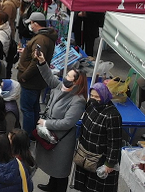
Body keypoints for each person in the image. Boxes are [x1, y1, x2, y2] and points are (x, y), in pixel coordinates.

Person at [34, 50, 87, 192]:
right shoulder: (61, 88)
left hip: (62, 140)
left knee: (60, 170)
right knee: (53, 166)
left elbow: (68, 122)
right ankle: (51, 186)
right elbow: (49, 77)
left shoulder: (78, 101)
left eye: (69, 77)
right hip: (52, 136)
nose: (65, 79)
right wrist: (42, 62)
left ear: (76, 82)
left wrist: (46, 123)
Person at [72, 83, 122, 192]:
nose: (94, 99)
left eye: (97, 97)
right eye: (92, 96)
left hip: (99, 159)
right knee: (84, 187)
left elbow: (115, 142)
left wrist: (109, 164)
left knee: (95, 189)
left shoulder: (112, 115)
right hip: (84, 155)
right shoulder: (91, 105)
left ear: (104, 96)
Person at [16, 12, 58, 135]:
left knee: (27, 109)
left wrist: (24, 76)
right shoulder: (45, 38)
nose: (30, 26)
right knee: (34, 108)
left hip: (31, 81)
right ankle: (34, 133)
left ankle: (27, 136)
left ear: (35, 23)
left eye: (31, 23)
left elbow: (36, 62)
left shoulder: (40, 39)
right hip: (37, 80)